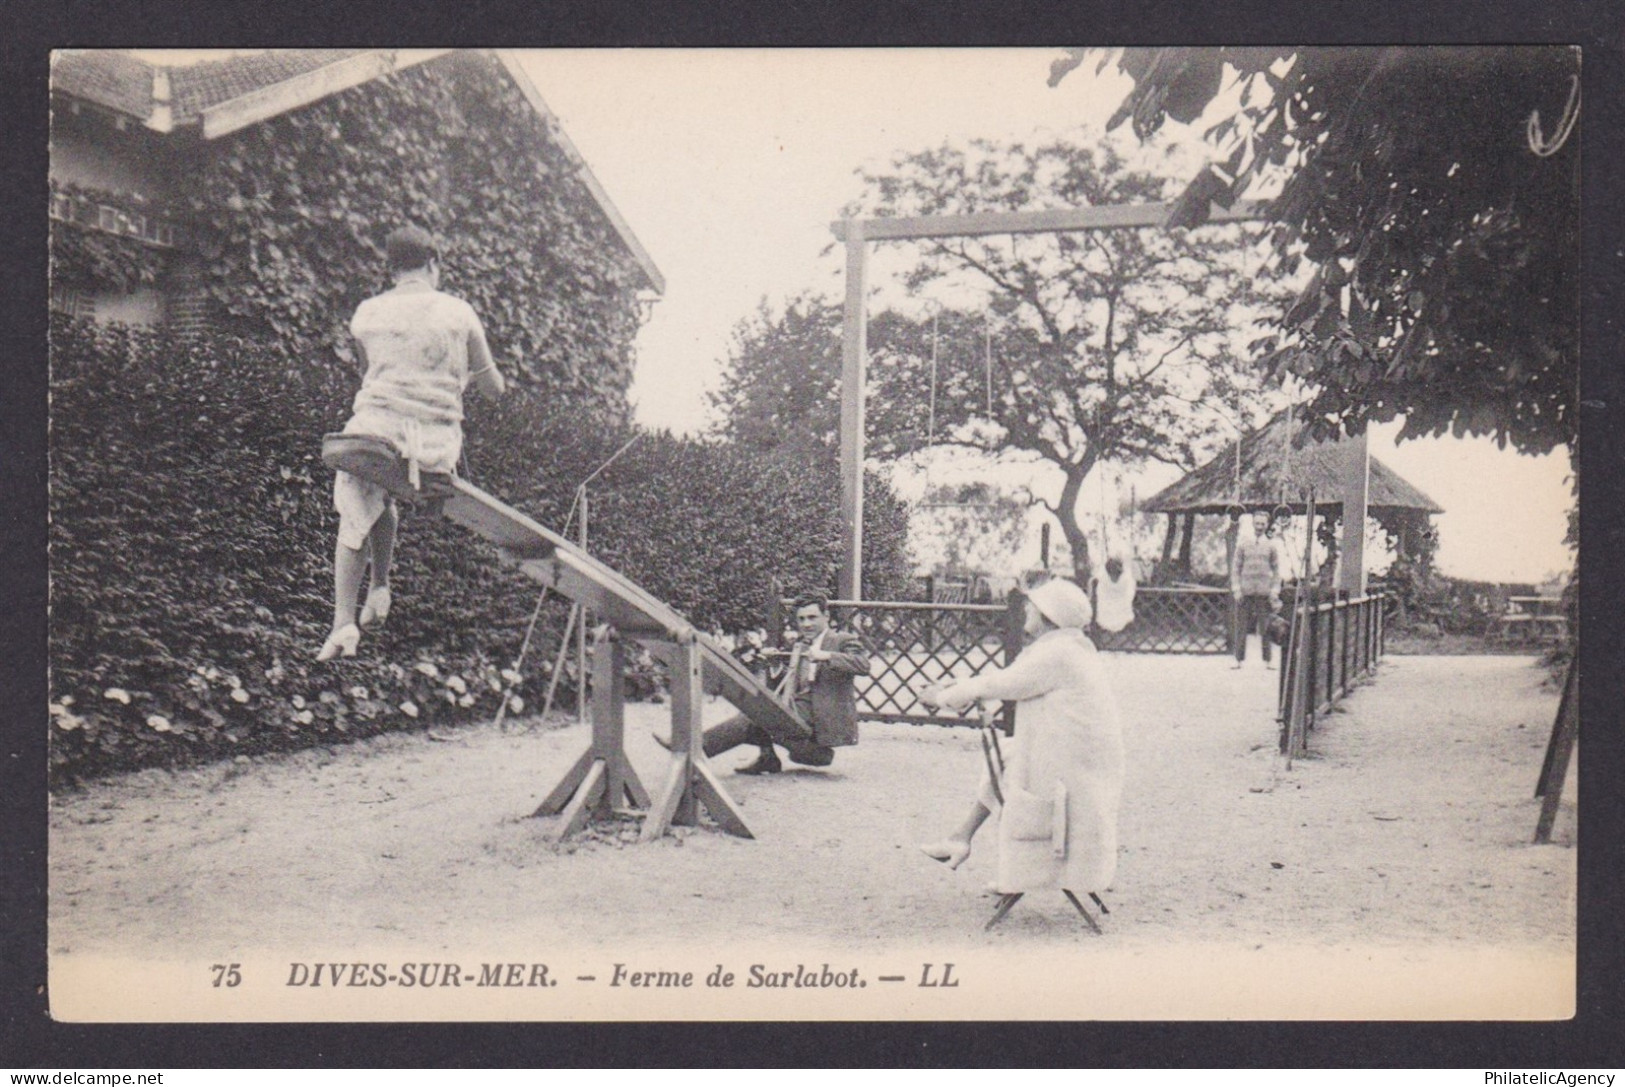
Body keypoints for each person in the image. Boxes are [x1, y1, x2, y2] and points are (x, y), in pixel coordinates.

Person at [316, 225, 506, 661]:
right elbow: (493, 390)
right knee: (382, 489)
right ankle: (380, 587)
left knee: (359, 498)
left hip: (375, 435)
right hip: (433, 447)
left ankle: (343, 621)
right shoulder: (459, 312)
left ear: (391, 269)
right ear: (433, 264)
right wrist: (476, 374)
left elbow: (368, 373)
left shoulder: (366, 313)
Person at [916, 578, 1125, 898]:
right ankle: (960, 839)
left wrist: (942, 697)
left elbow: (1003, 685)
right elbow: (1007, 680)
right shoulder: (1065, 646)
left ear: (1049, 616)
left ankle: (980, 852)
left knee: (1012, 770)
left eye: (1034, 605)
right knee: (1005, 757)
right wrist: (955, 686)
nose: (1028, 608)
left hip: (1077, 765)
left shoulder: (1058, 653)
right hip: (1075, 756)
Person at [663, 593, 871, 774]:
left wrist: (826, 656)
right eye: (801, 619)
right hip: (800, 713)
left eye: (812, 617)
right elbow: (786, 683)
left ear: (826, 616)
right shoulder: (799, 644)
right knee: (757, 711)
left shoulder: (841, 640)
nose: (806, 624)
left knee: (756, 714)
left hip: (822, 721)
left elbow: (863, 664)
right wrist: (774, 665)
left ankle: (691, 748)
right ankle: (766, 758)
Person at [1229, 509, 1282, 670]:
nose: (1259, 526)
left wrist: (1275, 590)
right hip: (1245, 591)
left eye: (1262, 524)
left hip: (1264, 592)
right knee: (1241, 627)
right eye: (1257, 523)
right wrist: (1236, 589)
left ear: (1267, 525)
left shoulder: (1271, 545)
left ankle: (1268, 660)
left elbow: (1277, 570)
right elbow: (1236, 568)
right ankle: (1238, 659)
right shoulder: (1243, 544)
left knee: (1266, 627)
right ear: (1253, 523)